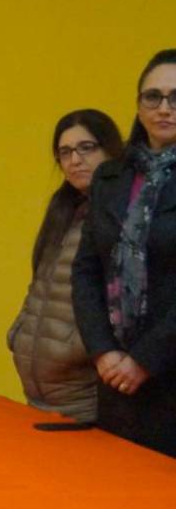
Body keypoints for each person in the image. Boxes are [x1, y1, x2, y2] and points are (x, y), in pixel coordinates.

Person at [72, 48, 176, 458]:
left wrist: (144, 360)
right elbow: (86, 270)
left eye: (175, 98)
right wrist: (104, 352)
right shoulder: (110, 177)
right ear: (138, 104)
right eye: (153, 96)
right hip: (116, 374)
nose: (164, 108)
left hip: (165, 368)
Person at [9, 110, 123, 422]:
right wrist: (19, 333)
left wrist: (85, 349)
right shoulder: (63, 209)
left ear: (111, 150)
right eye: (65, 152)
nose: (75, 160)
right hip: (39, 395)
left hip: (89, 394)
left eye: (86, 148)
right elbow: (40, 281)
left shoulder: (123, 215)